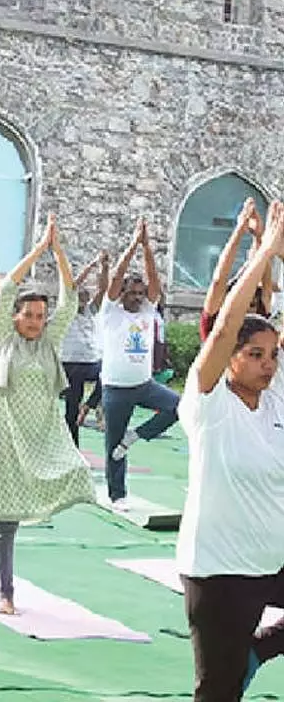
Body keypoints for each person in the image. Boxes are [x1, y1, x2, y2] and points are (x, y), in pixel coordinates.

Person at [177, 199, 284, 701]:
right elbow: (223, 324)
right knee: (218, 694)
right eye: (255, 355)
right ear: (230, 360)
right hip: (220, 573)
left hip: (275, 561)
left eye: (273, 355)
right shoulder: (208, 404)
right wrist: (261, 249)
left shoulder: (275, 397)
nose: (268, 364)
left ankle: (259, 650)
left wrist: (278, 255)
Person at [0, 216, 94, 615]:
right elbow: (8, 286)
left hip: (42, 430)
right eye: (28, 315)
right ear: (15, 316)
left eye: (39, 316)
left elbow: (71, 300)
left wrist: (58, 252)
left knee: (76, 471)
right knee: (5, 518)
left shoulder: (49, 341)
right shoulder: (1, 338)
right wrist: (38, 249)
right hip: (4, 430)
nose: (34, 321)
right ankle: (5, 590)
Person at [98, 220, 179, 506]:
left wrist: (147, 248)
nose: (136, 297)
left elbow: (154, 281)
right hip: (116, 389)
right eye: (131, 293)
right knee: (113, 444)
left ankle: (137, 435)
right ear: (121, 294)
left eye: (140, 294)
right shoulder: (110, 312)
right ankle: (117, 494)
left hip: (144, 386)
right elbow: (117, 277)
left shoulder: (148, 310)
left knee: (179, 406)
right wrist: (132, 246)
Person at [199, 198, 273, 342]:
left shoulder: (259, 323)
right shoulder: (216, 322)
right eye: (237, 301)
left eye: (251, 305)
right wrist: (239, 230)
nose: (244, 309)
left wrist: (259, 238)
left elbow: (263, 277)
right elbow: (218, 280)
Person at [61, 250, 109, 447]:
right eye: (79, 296)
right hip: (70, 364)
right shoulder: (65, 312)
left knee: (106, 375)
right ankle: (72, 446)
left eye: (85, 296)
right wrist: (90, 266)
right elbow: (71, 287)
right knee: (71, 409)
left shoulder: (90, 311)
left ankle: (89, 405)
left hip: (89, 361)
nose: (83, 299)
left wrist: (104, 267)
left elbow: (103, 290)